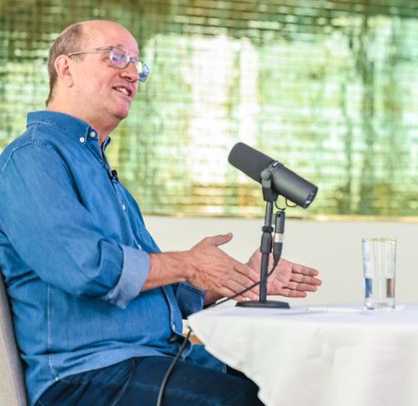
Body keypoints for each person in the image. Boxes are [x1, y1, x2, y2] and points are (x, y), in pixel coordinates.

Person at [0, 20, 322, 405]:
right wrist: (188, 264)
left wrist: (237, 280)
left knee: (297, 379)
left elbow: (144, 287)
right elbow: (85, 269)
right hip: (83, 378)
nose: (133, 72)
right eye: (116, 56)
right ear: (65, 67)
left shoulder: (100, 170)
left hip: (153, 358)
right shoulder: (33, 158)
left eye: (138, 64)